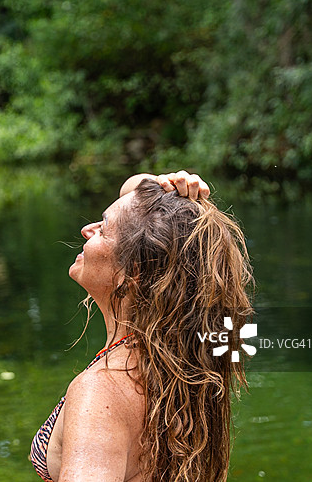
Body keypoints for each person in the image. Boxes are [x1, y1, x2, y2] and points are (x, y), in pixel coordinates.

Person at [30, 171, 254, 482]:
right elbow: (142, 214)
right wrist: (162, 184)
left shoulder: (100, 392)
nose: (86, 230)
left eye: (103, 228)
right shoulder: (183, 363)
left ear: (133, 272)